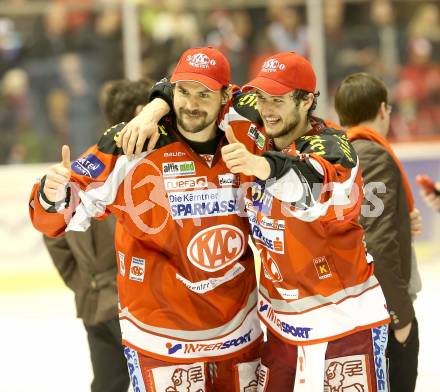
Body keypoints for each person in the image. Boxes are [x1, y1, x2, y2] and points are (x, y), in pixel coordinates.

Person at [122, 52, 391, 392]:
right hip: (280, 329)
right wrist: (151, 112)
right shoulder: (256, 121)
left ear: (307, 101)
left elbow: (311, 186)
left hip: (343, 325)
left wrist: (260, 165)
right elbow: (197, 84)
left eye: (277, 100)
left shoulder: (333, 145)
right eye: (262, 97)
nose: (266, 109)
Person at [29, 47, 262, 392]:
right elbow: (61, 212)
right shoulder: (133, 143)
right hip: (162, 338)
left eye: (204, 94)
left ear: (225, 96)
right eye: (182, 92)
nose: (191, 104)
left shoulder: (245, 134)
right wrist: (51, 194)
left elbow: (271, 97)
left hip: (240, 332)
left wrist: (157, 102)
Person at [43, 79, 152, 392]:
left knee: (107, 384)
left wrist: (85, 283)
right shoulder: (136, 173)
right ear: (140, 112)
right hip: (132, 307)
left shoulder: (89, 168)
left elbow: (53, 231)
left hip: (95, 303)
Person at [334, 72, 422, 392]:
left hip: (353, 306)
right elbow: (378, 241)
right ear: (383, 110)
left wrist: (401, 219)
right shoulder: (371, 153)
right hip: (381, 309)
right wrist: (400, 315)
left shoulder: (338, 153)